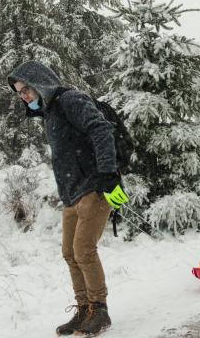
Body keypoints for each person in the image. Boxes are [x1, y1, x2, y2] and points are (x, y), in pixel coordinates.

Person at [8, 61, 128, 336]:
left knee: (84, 250)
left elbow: (101, 129)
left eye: (26, 88)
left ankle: (99, 311)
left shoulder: (70, 100)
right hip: (72, 194)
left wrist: (108, 173)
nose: (23, 96)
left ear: (41, 82)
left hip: (96, 188)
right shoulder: (50, 114)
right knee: (69, 253)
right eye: (19, 92)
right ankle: (84, 308)